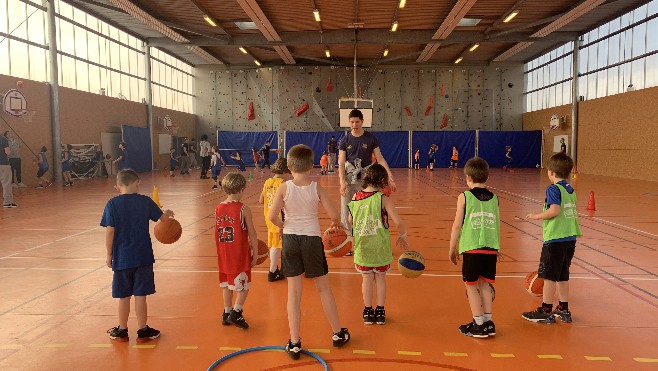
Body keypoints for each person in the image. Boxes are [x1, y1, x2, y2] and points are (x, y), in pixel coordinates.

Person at [268, 144, 350, 360]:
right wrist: (335, 226)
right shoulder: (316, 187)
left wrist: (282, 226)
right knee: (323, 289)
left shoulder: (284, 187)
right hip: (312, 239)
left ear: (289, 166)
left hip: (291, 240)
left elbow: (272, 216)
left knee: (293, 294)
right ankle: (338, 333)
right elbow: (335, 215)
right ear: (312, 165)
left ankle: (294, 343)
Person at [101, 169, 174, 343]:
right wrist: (168, 213)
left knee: (123, 296)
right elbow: (163, 220)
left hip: (122, 257)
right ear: (138, 182)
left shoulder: (112, 204)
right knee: (141, 295)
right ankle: (143, 331)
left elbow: (110, 231)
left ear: (117, 186)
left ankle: (122, 330)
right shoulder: (145, 201)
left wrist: (108, 254)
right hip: (143, 256)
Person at [522, 153, 581, 324]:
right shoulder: (570, 190)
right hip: (570, 238)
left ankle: (546, 310)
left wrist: (536, 216)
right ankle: (563, 309)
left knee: (549, 276)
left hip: (556, 238)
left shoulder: (553, 189)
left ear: (551, 172)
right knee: (562, 275)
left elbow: (554, 210)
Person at [348, 164, 409, 325]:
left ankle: (368, 311)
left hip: (362, 247)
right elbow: (398, 222)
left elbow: (349, 220)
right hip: (380, 247)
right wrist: (403, 235)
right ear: (382, 181)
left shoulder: (355, 198)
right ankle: (380, 311)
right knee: (380, 278)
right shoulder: (383, 199)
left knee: (366, 279)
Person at [448, 157, 500, 338]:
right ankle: (488, 322)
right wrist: (497, 247)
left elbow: (457, 225)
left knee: (471, 286)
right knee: (485, 284)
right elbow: (496, 223)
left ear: (468, 177)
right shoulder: (495, 198)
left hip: (472, 247)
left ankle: (478, 324)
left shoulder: (465, 197)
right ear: (487, 176)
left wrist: (452, 247)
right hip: (490, 248)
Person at [338, 109, 397, 250]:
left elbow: (380, 158)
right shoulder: (344, 140)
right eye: (352, 122)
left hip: (366, 181)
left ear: (362, 122)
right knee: (347, 213)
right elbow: (341, 162)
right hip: (349, 179)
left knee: (367, 211)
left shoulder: (371, 138)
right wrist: (341, 182)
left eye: (357, 122)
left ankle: (367, 241)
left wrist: (390, 177)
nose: (354, 124)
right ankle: (348, 244)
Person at [215, 172, 259, 329]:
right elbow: (252, 233)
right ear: (241, 189)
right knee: (244, 286)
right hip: (239, 254)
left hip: (223, 254)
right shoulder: (243, 209)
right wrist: (256, 253)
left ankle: (226, 313)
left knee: (226, 285)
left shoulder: (218, 208)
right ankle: (236, 312)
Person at [258, 158, 289, 282]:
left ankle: (276, 268)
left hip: (268, 217)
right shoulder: (283, 184)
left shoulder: (268, 182)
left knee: (274, 244)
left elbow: (261, 200)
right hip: (279, 218)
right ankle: (272, 272)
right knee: (278, 245)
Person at [0, 125, 16, 208]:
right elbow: (8, 152)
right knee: (6, 183)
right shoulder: (3, 139)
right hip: (3, 164)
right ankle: (7, 202)